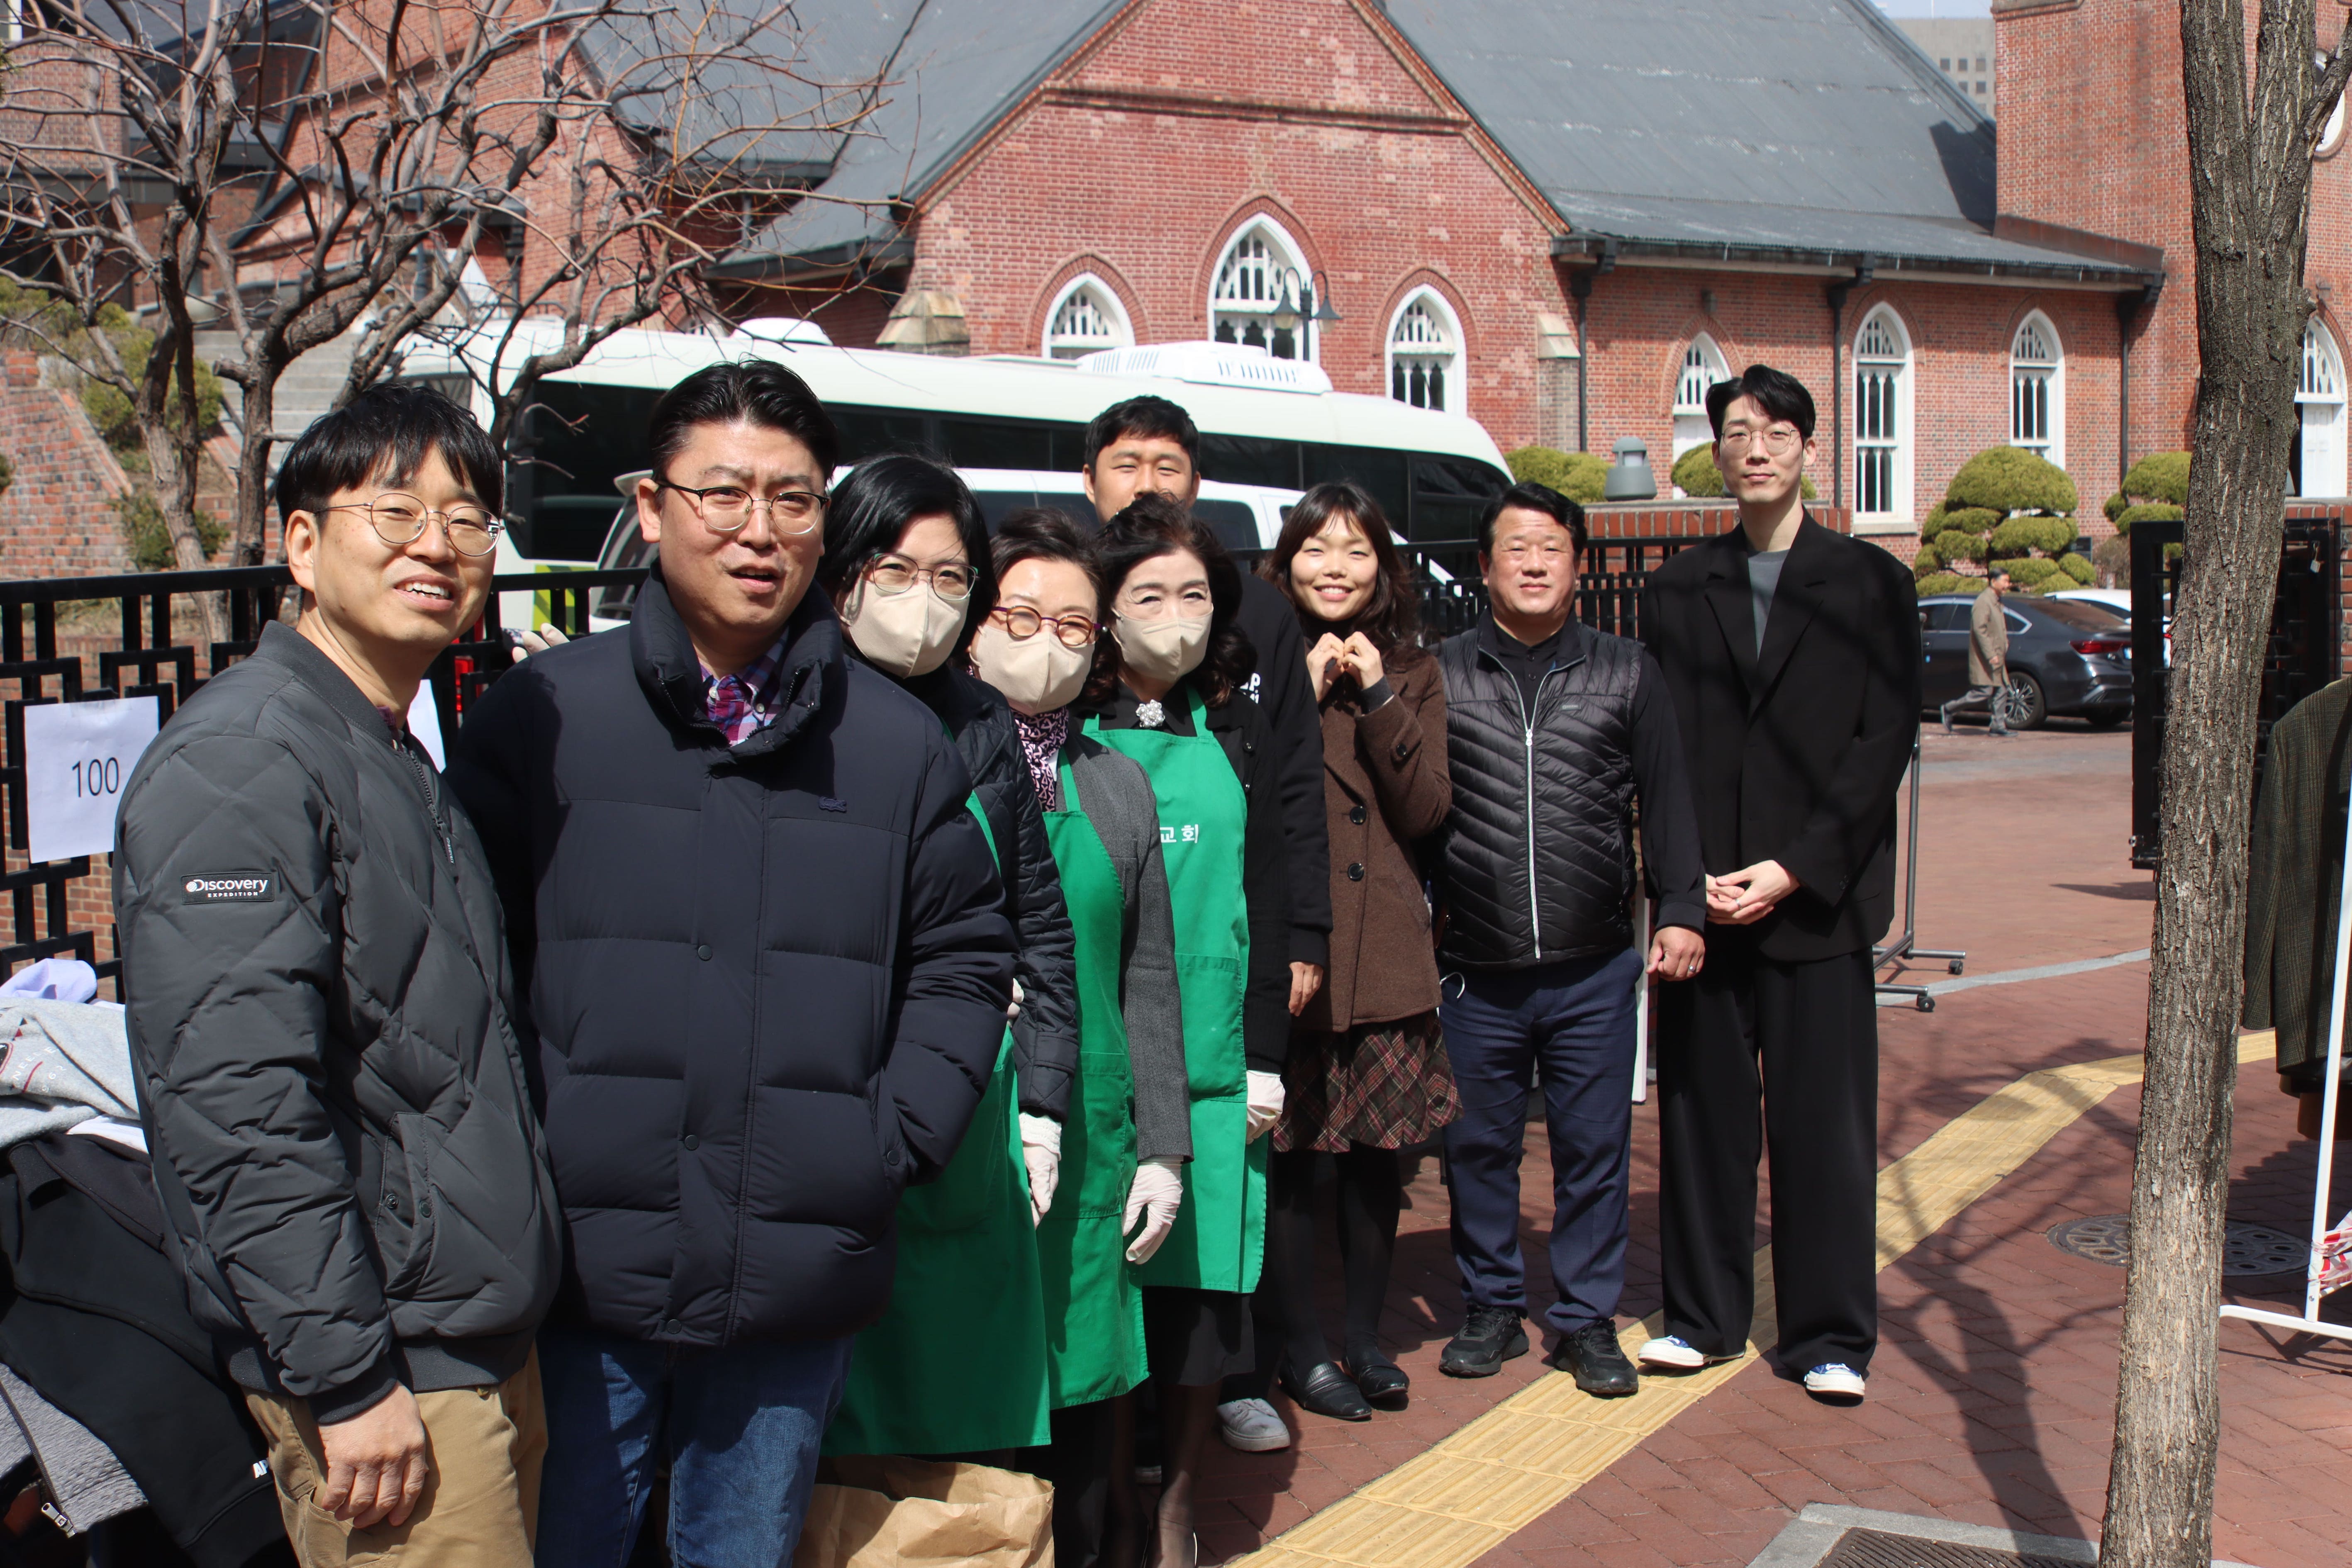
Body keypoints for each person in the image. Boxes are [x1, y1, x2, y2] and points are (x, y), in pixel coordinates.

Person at [445, 360, 1015, 1564]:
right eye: (724, 494)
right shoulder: (541, 717)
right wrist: (528, 1144)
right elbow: (459, 962)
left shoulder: (896, 744)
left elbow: (964, 955)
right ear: (652, 509)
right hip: (575, 1265)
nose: (759, 530)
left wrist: (888, 1139)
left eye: (793, 499)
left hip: (793, 1269)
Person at [115, 383, 562, 1565]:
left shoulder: (382, 741)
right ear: (303, 546)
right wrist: (346, 1376)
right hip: (386, 1370)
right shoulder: (242, 761)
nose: (438, 545)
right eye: (396, 511)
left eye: (467, 519)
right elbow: (236, 1103)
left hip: (465, 1341)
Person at [1638, 363, 1922, 1405]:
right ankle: (1700, 1319)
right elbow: (1657, 751)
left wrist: (1794, 866)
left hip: (1817, 908)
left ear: (1806, 448)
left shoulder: (1868, 582)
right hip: (1706, 906)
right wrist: (1683, 887)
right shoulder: (1676, 589)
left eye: (1772, 433)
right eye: (1734, 433)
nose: (1752, 449)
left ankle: (1829, 1336)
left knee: (1822, 1134)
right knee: (1700, 1125)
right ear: (1714, 452)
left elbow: (1880, 741)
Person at [1075, 393, 1331, 1455]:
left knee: (1212, 1235)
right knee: (1102, 1248)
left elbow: (1286, 818)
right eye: (1126, 461)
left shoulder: (1240, 682)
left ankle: (1209, 1416)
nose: (1146, 480)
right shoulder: (1060, 689)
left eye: (1167, 462)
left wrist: (1295, 957)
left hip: (1216, 1019)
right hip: (1097, 1019)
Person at [813, 454, 1072, 1460]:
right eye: (894, 570)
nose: (921, 602)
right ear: (843, 569)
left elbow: (1038, 920)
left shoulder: (982, 722)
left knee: (965, 1424)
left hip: (967, 1109)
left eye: (950, 577)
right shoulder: (793, 709)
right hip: (826, 1102)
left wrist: (1042, 1104)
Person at [1432, 481, 1709, 1397]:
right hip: (1474, 968)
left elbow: (1666, 796)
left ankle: (1585, 1320)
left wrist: (1680, 908)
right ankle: (1489, 1306)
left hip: (1594, 965)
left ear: (1577, 565)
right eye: (1515, 548)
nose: (1534, 564)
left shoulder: (1625, 671)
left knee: (1593, 1152)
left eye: (1551, 548)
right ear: (1484, 567)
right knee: (1477, 1150)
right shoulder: (1439, 673)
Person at [976, 509, 1194, 1568]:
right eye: (1020, 617)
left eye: (1073, 626)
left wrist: (1164, 1146)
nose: (1047, 645)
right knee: (974, 1385)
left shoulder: (1114, 781)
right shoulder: (928, 763)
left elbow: (1147, 973)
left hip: (1095, 1134)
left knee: (1084, 1393)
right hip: (966, 1125)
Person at [1079, 496, 1293, 1568]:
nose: (1175, 616)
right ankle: (1118, 1502)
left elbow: (1273, 889)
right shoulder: (1064, 731)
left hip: (1213, 1058)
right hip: (1104, 1052)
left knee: (1200, 1307)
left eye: (1194, 595)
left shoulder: (1235, 729)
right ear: (1105, 612)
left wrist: (1265, 1054)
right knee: (1112, 1294)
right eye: (1148, 595)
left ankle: (1177, 1504)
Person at [1252, 482, 1457, 1424]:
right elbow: (1243, 784)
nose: (1333, 568)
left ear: (1383, 567)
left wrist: (1374, 694)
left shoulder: (1411, 670)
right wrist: (1296, 690)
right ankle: (1300, 1350)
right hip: (1293, 947)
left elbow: (1425, 810)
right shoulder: (1252, 663)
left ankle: (1365, 1341)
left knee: (1377, 1161)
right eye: (1314, 548)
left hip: (1382, 957)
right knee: (1290, 1161)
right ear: (1285, 560)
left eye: (1355, 551)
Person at [1941, 565, 2016, 735]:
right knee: (1984, 691)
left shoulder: (1996, 601)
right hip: (1986, 657)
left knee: (2002, 689)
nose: (2008, 585)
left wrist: (2004, 644)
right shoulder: (1984, 602)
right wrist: (1991, 654)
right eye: (2005, 581)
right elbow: (1980, 629)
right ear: (1993, 582)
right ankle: (1949, 708)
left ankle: (1998, 726)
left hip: (1997, 655)